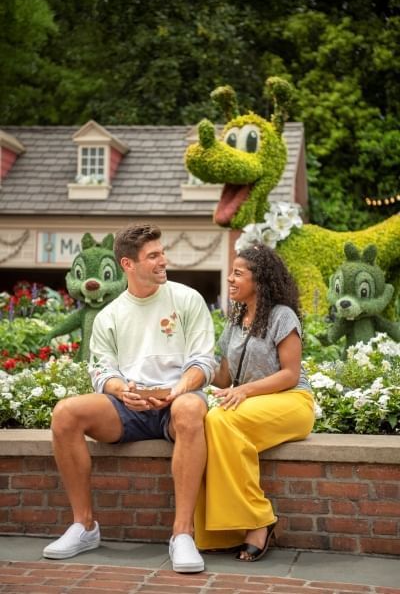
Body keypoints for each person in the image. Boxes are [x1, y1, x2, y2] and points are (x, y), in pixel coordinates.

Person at [42, 224, 216, 574]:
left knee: (190, 407)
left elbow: (204, 361)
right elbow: (102, 372)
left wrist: (180, 389)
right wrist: (122, 390)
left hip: (178, 401)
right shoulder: (110, 315)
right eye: (153, 256)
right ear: (128, 264)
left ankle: (182, 533)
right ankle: (85, 526)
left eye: (162, 252)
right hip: (128, 407)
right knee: (65, 414)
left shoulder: (187, 299)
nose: (163, 260)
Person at [194, 243, 314, 562]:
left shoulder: (281, 316)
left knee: (221, 420)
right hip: (253, 408)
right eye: (230, 273)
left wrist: (244, 391)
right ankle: (231, 530)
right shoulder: (235, 320)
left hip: (292, 402)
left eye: (238, 273)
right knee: (214, 423)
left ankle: (260, 520)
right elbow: (223, 375)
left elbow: (290, 374)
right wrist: (192, 361)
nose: (230, 279)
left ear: (259, 280)